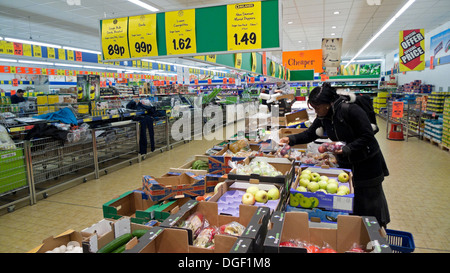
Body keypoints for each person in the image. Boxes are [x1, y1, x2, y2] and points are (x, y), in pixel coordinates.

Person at [279, 83, 390, 228]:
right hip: (348, 164)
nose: (316, 112)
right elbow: (310, 133)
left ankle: (377, 236)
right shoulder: (324, 116)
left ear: (328, 104)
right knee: (352, 203)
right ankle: (356, 234)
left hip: (367, 164)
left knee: (370, 205)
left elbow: (367, 135)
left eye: (317, 108)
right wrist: (291, 139)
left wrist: (347, 149)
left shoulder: (350, 110)